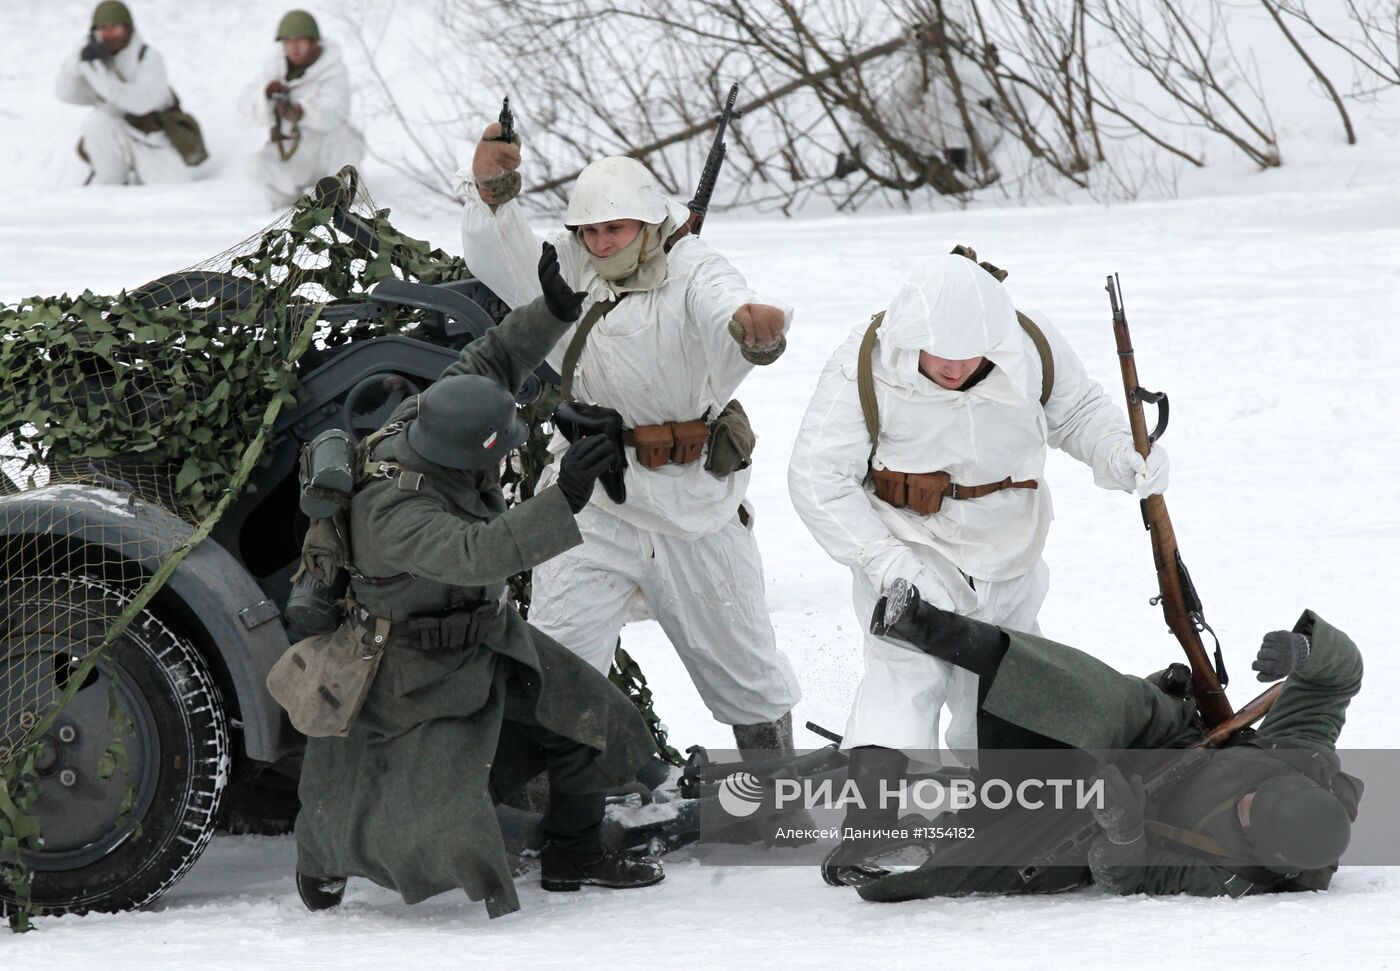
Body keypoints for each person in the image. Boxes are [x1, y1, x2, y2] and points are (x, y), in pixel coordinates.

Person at [292, 244, 664, 918]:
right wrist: (567, 497)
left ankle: (576, 853)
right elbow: (479, 551)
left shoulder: (426, 417)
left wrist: (551, 310)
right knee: (409, 803)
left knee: (586, 720)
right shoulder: (395, 512)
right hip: (407, 672)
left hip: (484, 638)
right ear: (474, 458)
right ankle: (321, 862)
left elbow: (490, 363)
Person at [787, 249, 1169, 847]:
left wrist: (1118, 452)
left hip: (1009, 546)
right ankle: (869, 830)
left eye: (972, 352)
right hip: (909, 547)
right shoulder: (861, 363)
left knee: (1008, 686)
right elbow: (816, 477)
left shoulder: (1032, 345)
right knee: (903, 676)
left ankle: (1000, 824)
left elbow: (1080, 412)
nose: (956, 365)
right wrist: (885, 561)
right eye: (941, 352)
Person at [455, 124, 802, 753]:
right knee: (557, 656)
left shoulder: (693, 266)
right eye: (590, 230)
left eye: (614, 228)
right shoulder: (569, 268)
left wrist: (754, 329)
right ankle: (562, 814)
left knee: (742, 664)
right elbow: (503, 259)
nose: (601, 241)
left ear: (647, 223)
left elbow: (722, 300)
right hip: (591, 497)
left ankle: (774, 796)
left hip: (692, 502)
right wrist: (493, 191)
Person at [839, 579, 1362, 899]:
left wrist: (1124, 831)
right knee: (1094, 698)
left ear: (1260, 848)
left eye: (1250, 811)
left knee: (998, 851)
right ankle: (930, 627)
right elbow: (1339, 679)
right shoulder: (1304, 764)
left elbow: (1130, 880)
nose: (1247, 797)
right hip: (1160, 739)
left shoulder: (1230, 875)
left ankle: (895, 849)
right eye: (1261, 790)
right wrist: (1305, 654)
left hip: (1110, 813)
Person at [54, 1, 195, 185]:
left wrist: (101, 77)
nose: (109, 34)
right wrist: (78, 62)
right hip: (113, 134)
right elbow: (66, 94)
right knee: (97, 122)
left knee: (176, 191)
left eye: (114, 28)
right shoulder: (95, 60)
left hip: (150, 137)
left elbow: (141, 103)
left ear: (127, 29)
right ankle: (111, 183)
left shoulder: (148, 58)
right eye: (103, 29)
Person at [242, 10, 365, 207]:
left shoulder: (331, 67)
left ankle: (345, 196)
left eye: (300, 40)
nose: (294, 47)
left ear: (312, 41)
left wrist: (301, 112)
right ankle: (288, 206)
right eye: (288, 41)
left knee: (345, 136)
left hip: (327, 150)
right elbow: (245, 109)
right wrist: (266, 94)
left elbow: (337, 110)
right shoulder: (275, 66)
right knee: (256, 165)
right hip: (294, 151)